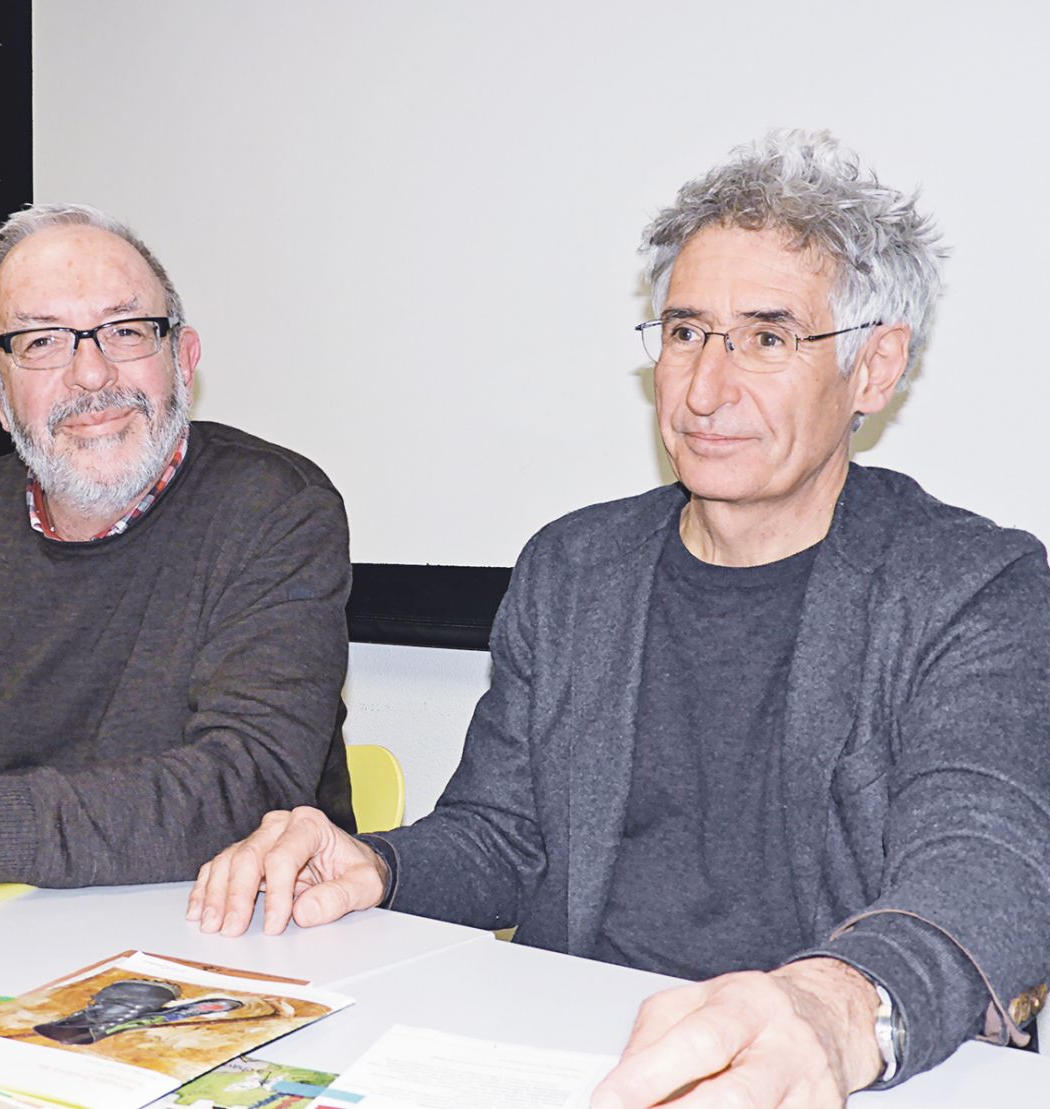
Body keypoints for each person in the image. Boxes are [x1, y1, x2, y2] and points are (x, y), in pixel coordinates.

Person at [187, 132, 1050, 1105]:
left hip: (835, 1072)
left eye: (767, 338)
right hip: (576, 1059)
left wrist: (835, 1007)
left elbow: (989, 869)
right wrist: (376, 863)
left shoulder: (972, 585)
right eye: (685, 332)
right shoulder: (575, 568)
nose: (705, 390)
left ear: (875, 367)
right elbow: (501, 838)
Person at [0, 203, 354, 888]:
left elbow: (246, 789)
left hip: (216, 936)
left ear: (182, 360)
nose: (91, 374)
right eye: (42, 341)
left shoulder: (275, 509)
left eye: (126, 331)